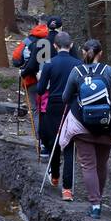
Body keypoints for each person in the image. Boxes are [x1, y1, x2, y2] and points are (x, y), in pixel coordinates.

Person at [59, 39, 111, 219]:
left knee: (88, 165)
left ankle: (95, 205)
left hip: (82, 126)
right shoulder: (108, 71)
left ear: (84, 52)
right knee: (102, 164)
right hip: (107, 125)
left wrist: (81, 106)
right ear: (100, 53)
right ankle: (98, 198)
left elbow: (65, 97)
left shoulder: (76, 72)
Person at [34, 31, 79, 200]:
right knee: (69, 146)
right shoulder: (78, 64)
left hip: (53, 106)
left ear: (54, 45)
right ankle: (67, 189)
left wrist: (41, 79)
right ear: (71, 45)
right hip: (72, 107)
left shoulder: (49, 64)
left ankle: (54, 177)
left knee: (54, 141)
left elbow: (39, 90)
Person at [12, 18, 53, 136]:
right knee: (49, 109)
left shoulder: (29, 40)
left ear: (37, 24)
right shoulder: (55, 39)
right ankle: (50, 140)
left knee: (36, 110)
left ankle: (40, 140)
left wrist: (23, 69)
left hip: (31, 80)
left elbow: (16, 59)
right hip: (51, 80)